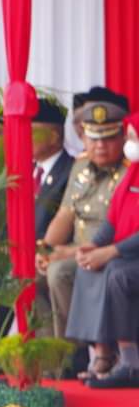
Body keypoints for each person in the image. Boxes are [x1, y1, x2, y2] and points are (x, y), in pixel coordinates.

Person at [36, 90, 129, 347]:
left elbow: (122, 230)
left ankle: (74, 351)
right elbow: (65, 214)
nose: (100, 145)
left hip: (109, 253)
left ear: (123, 137)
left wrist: (67, 253)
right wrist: (45, 250)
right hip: (74, 250)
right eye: (94, 138)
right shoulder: (80, 166)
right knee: (29, 274)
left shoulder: (130, 171)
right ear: (83, 137)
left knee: (59, 273)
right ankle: (49, 353)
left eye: (108, 138)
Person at [75, 113, 139, 388]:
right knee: (89, 266)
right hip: (127, 254)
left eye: (134, 137)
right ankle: (103, 355)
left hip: (130, 256)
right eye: (129, 137)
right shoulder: (132, 173)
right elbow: (112, 221)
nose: (129, 143)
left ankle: (131, 363)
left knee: (117, 273)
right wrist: (93, 246)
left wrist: (111, 251)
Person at [32, 97, 74, 240]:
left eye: (32, 133)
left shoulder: (72, 171)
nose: (24, 138)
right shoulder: (21, 171)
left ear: (54, 137)